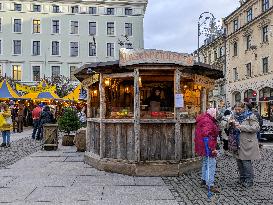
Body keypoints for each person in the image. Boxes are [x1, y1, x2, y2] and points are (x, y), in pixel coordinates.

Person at [233, 102, 261, 188]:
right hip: (238, 142)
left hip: (247, 142)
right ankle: (242, 178)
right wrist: (231, 124)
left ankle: (249, 180)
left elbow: (256, 128)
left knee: (246, 161)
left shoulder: (250, 116)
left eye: (239, 109)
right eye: (236, 109)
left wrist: (241, 127)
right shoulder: (235, 116)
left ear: (243, 108)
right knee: (239, 161)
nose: (237, 111)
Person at [195, 108, 220, 193]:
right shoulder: (208, 121)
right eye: (215, 114)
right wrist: (212, 148)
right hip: (207, 146)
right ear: (213, 114)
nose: (216, 115)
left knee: (206, 162)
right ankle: (209, 184)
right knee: (211, 164)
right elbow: (208, 136)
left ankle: (204, 180)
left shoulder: (205, 119)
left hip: (203, 145)